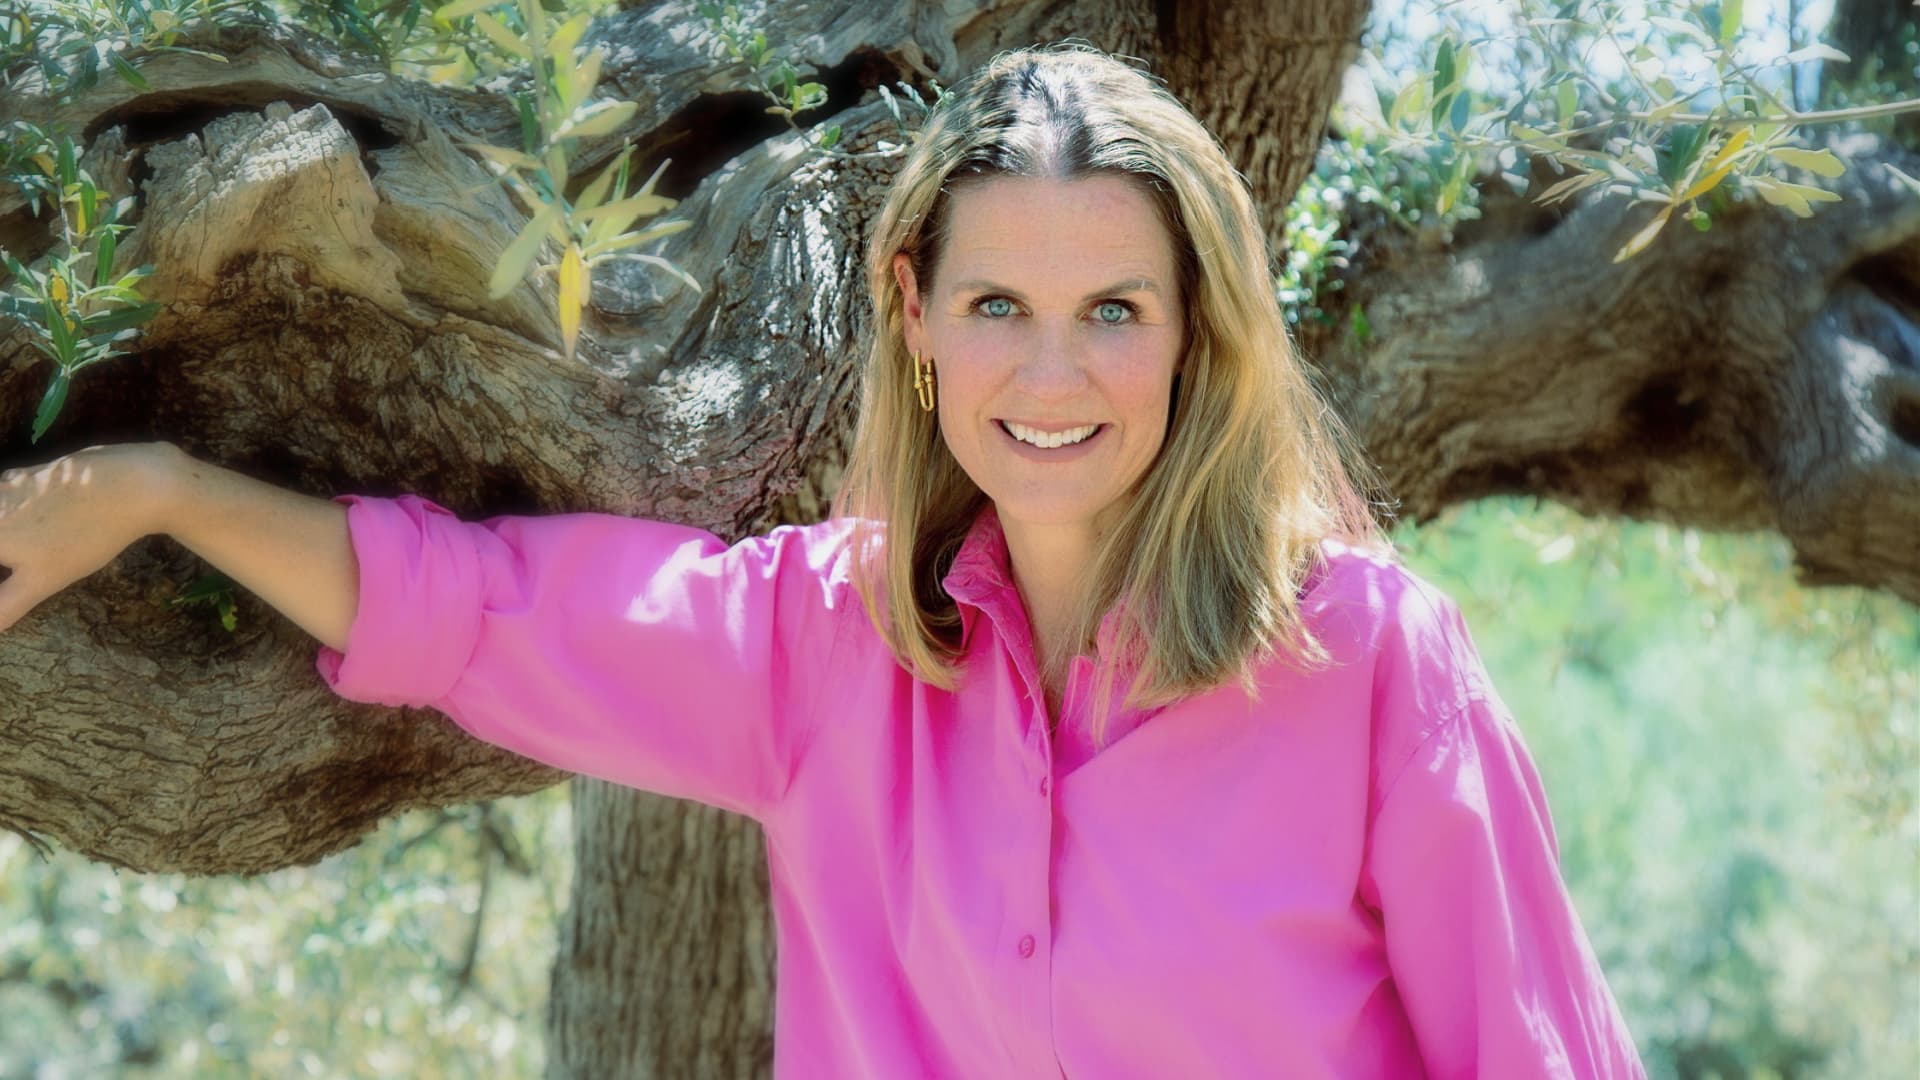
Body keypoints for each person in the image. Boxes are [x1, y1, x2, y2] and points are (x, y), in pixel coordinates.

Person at [0, 44, 1646, 1079]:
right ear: (918, 320)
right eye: (1000, 306)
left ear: (1197, 335)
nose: (1051, 376)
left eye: (1113, 314)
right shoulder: (826, 643)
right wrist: (159, 490)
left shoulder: (1368, 663)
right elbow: (476, 611)